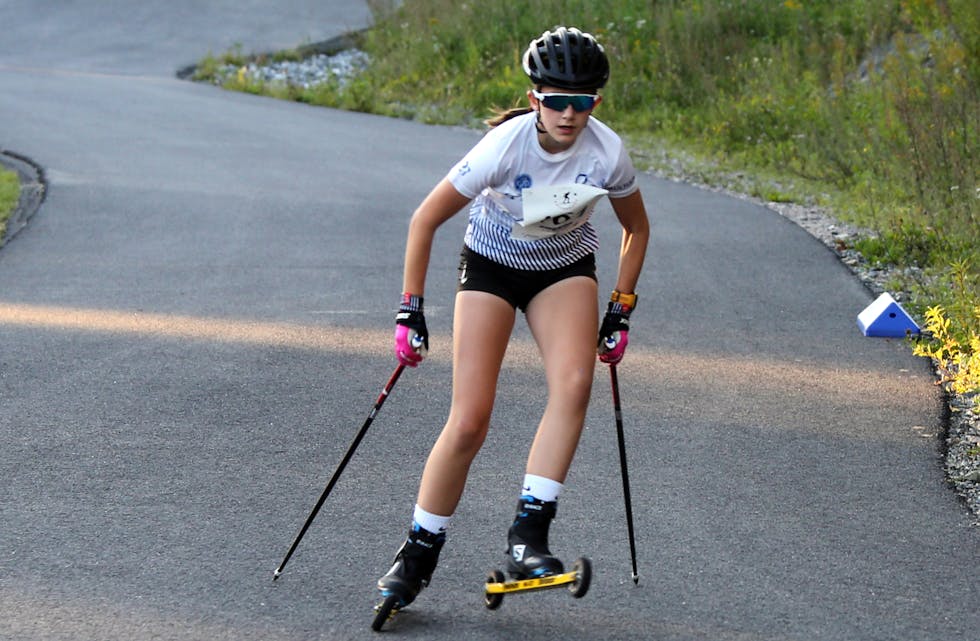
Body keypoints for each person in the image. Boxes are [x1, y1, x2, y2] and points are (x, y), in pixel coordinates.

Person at [378, 26, 650, 607]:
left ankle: (528, 538)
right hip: (493, 268)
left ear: (596, 103)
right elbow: (424, 220)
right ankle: (417, 553)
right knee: (471, 419)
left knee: (575, 386)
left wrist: (621, 308)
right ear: (534, 100)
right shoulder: (504, 147)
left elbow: (637, 228)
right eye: (556, 101)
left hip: (563, 269)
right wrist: (411, 309)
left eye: (583, 103)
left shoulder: (607, 153)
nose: (570, 115)